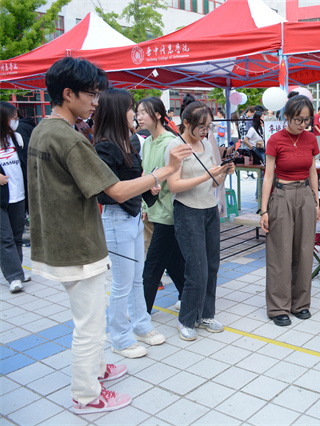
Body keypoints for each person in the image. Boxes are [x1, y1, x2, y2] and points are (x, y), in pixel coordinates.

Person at [27, 57, 191, 414]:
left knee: (95, 312)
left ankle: (98, 369)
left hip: (60, 240)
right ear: (68, 94)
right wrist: (166, 170)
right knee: (89, 323)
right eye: (91, 93)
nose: (96, 101)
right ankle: (86, 394)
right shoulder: (69, 139)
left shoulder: (43, 130)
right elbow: (116, 191)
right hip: (77, 244)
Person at [93, 88, 167, 359]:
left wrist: (149, 188)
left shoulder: (129, 141)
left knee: (137, 277)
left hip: (133, 216)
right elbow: (108, 191)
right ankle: (120, 338)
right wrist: (150, 181)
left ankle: (141, 325)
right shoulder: (104, 146)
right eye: (130, 109)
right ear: (116, 112)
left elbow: (137, 180)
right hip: (116, 219)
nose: (134, 114)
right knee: (123, 282)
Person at [165, 101, 234, 340]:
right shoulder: (175, 146)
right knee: (197, 269)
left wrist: (223, 172)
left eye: (208, 126)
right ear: (186, 123)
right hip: (187, 211)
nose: (205, 131)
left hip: (209, 209)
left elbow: (213, 183)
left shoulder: (205, 144)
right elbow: (174, 185)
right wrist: (207, 174)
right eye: (201, 126)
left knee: (212, 265)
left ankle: (206, 315)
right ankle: (186, 319)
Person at [259, 95, 320, 326]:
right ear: (286, 117)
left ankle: (301, 304)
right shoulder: (276, 140)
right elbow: (268, 176)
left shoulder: (311, 139)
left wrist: (316, 202)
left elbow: (313, 171)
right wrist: (264, 210)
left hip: (305, 195)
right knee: (280, 253)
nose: (303, 124)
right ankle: (277, 308)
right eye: (298, 120)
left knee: (304, 251)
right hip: (281, 195)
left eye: (307, 120)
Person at [138, 97, 186, 314]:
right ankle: (188, 296)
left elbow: (174, 175)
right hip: (154, 208)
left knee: (152, 265)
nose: (138, 117)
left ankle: (142, 311)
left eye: (143, 113)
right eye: (137, 113)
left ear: (157, 115)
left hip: (169, 211)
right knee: (172, 261)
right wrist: (145, 207)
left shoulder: (170, 141)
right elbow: (147, 175)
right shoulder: (147, 142)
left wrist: (157, 183)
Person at [0, 102, 28, 293]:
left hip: (19, 195)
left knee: (17, 236)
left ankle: (17, 269)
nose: (15, 121)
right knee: (5, 238)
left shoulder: (16, 137)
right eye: (13, 117)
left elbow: (24, 163)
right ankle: (14, 276)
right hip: (1, 197)